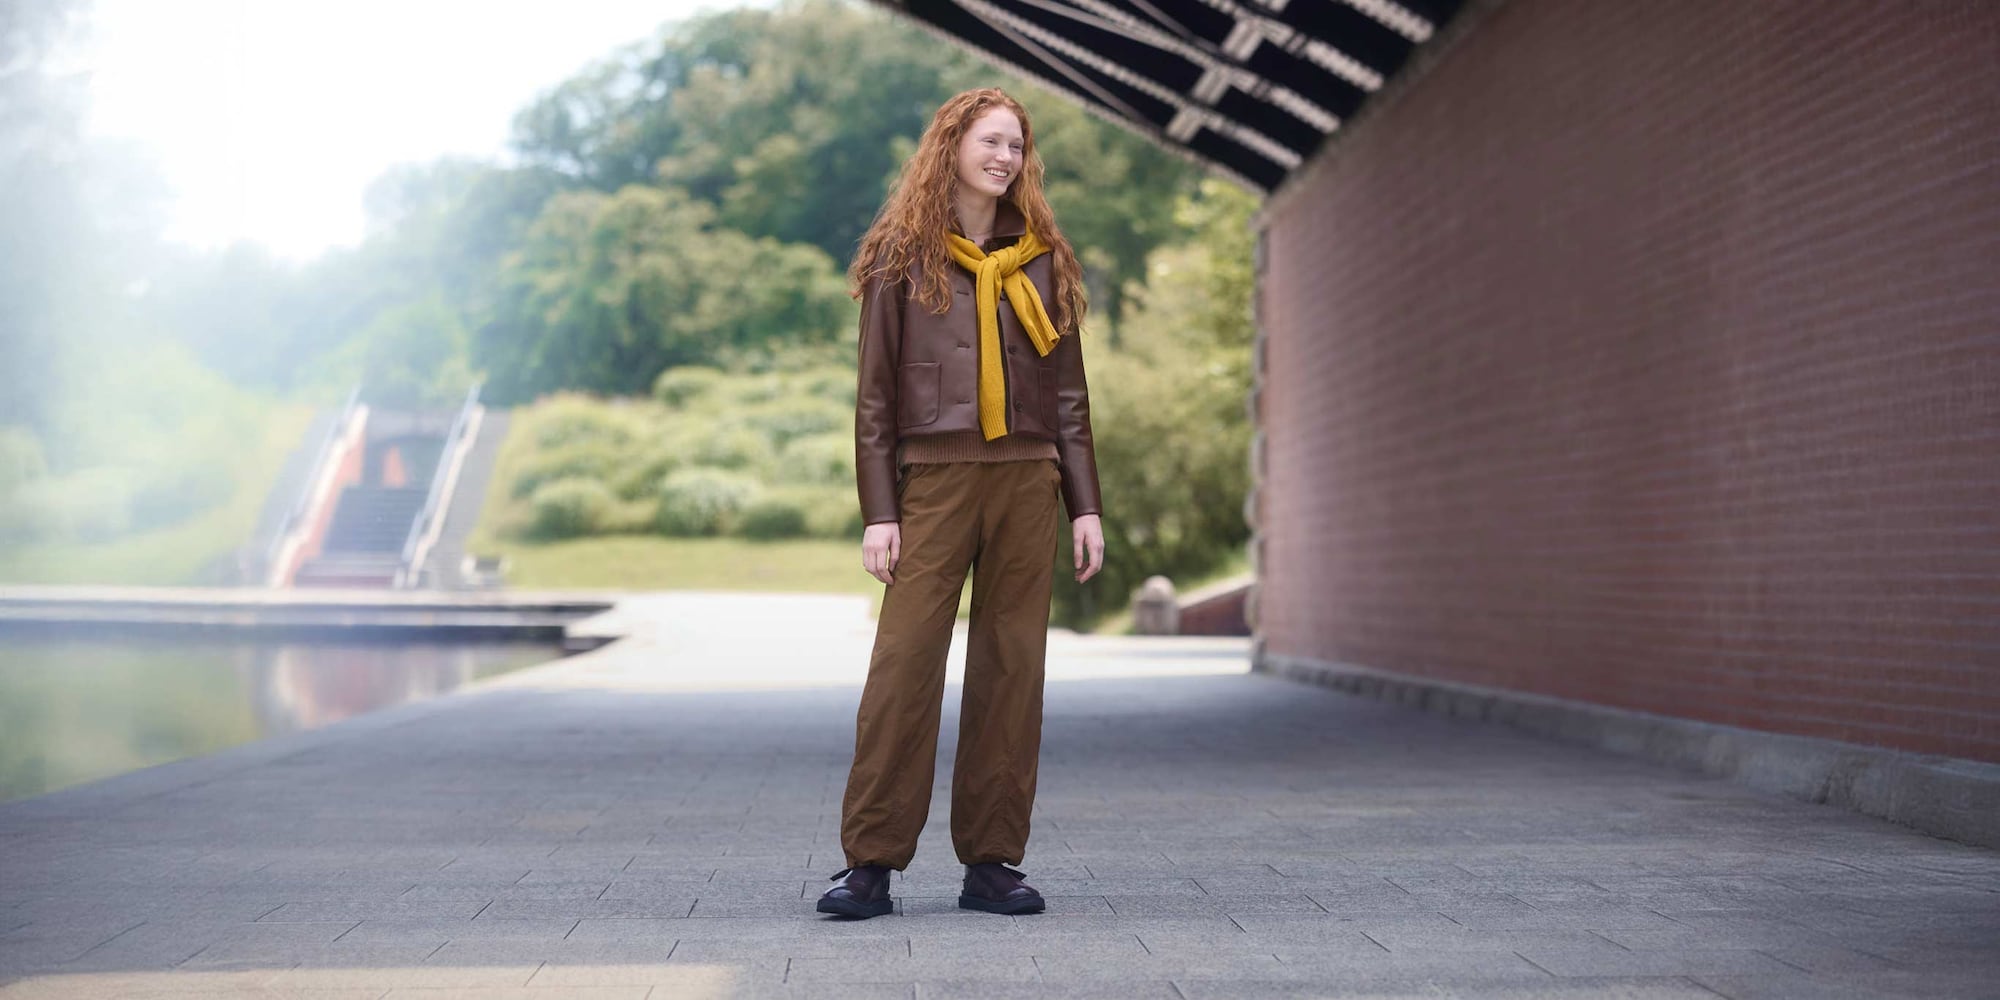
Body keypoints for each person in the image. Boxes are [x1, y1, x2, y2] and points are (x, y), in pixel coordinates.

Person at [817, 88, 1104, 919]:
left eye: (1017, 146)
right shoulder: (899, 258)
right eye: (991, 142)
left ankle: (992, 862)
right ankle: (869, 863)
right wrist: (881, 510)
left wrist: (1083, 504)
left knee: (1012, 671)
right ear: (952, 146)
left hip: (1028, 480)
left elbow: (1072, 398)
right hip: (932, 483)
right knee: (904, 667)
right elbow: (873, 399)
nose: (1005, 158)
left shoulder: (1045, 258)